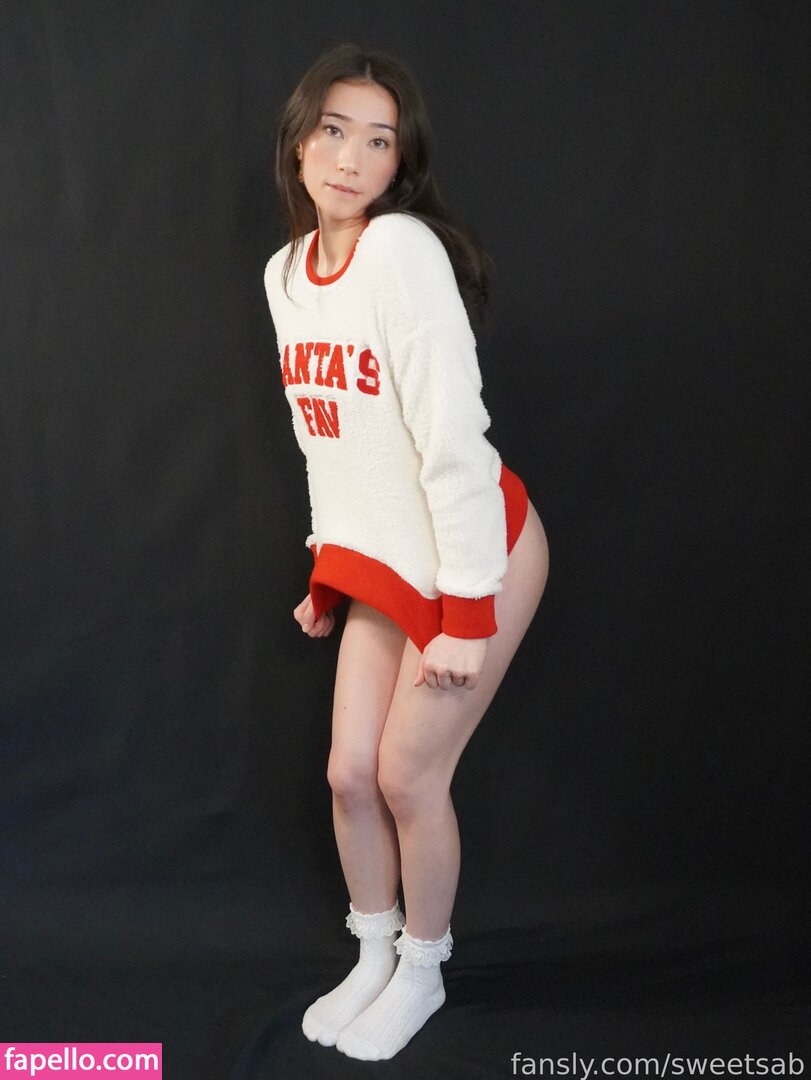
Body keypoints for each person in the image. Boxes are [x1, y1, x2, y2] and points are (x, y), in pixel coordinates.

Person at [263, 42, 549, 1062]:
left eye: (379, 141)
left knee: (405, 775)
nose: (350, 157)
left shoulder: (400, 252)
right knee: (349, 774)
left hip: (477, 548)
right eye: (332, 130)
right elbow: (324, 437)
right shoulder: (285, 274)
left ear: (401, 163)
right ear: (298, 144)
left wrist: (467, 610)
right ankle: (372, 956)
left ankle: (422, 971)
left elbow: (452, 439)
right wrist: (327, 566)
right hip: (386, 560)